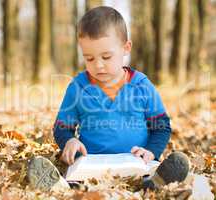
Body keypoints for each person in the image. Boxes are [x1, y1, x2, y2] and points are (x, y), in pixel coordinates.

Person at [27, 6, 189, 191]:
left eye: (106, 56)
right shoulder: (78, 87)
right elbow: (62, 128)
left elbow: (161, 127)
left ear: (126, 48)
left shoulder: (141, 85)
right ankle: (61, 187)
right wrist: (69, 141)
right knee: (78, 181)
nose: (98, 65)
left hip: (138, 164)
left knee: (152, 174)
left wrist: (151, 151)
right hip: (90, 167)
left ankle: (152, 185)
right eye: (89, 58)